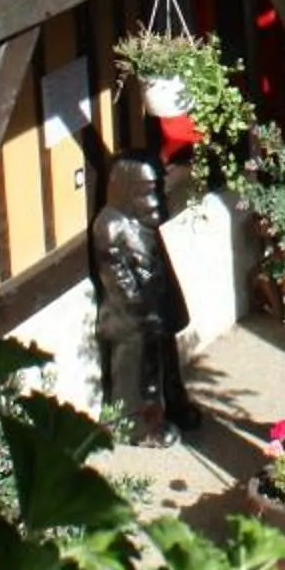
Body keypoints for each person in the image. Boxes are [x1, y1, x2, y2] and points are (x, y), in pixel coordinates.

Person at [91, 151, 201, 435]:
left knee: (168, 364)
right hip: (135, 320)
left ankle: (175, 404)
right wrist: (142, 311)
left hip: (158, 309)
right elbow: (118, 279)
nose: (159, 201)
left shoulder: (142, 224)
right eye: (151, 192)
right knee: (142, 376)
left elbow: (158, 264)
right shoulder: (110, 225)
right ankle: (141, 424)